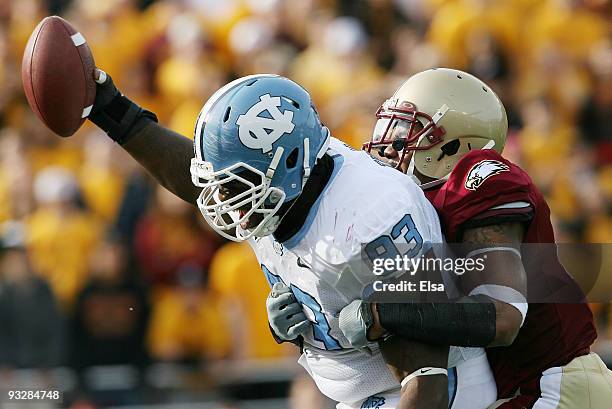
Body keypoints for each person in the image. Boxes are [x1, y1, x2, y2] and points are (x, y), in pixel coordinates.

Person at [74, 68, 497, 408]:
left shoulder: (371, 216)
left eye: (237, 186)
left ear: (289, 165)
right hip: (362, 391)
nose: (224, 201)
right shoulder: (290, 184)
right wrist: (112, 111)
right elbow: (194, 178)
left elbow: (427, 382)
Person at [338, 68, 612, 408]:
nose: (390, 148)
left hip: (553, 386)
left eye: (407, 132)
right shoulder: (411, 206)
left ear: (453, 143)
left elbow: (503, 316)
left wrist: (382, 314)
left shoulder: (478, 179)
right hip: (511, 391)